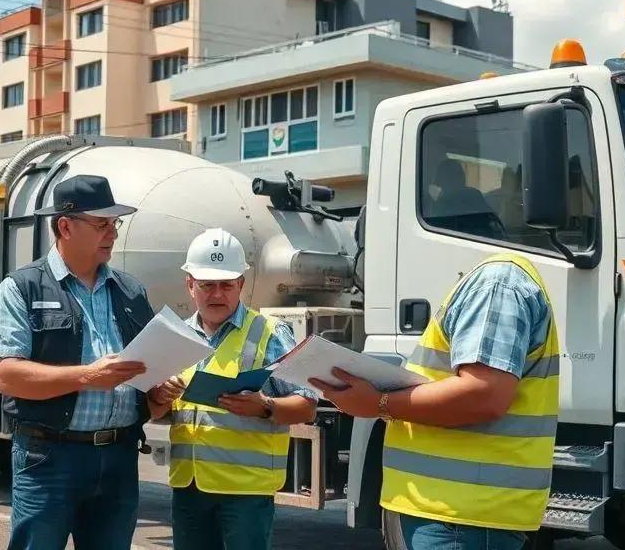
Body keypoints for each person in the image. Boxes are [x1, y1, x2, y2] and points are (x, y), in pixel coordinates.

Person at [310, 253, 559, 550]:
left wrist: (379, 403)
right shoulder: (500, 281)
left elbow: (484, 395)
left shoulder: (496, 284)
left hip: (457, 518)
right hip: (456, 516)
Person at [0, 174, 154, 550]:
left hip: (119, 459)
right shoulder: (22, 287)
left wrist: (161, 390)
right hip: (49, 459)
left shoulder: (131, 291)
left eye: (115, 224)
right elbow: (8, 376)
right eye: (101, 224)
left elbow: (146, 371)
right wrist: (90, 376)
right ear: (65, 225)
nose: (112, 233)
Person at [148, 228, 318, 550]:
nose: (217, 294)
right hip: (189, 486)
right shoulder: (174, 335)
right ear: (190, 284)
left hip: (245, 495)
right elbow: (158, 411)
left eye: (227, 285)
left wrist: (265, 406)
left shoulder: (269, 332)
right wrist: (157, 398)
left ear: (241, 283)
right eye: (207, 285)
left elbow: (307, 405)